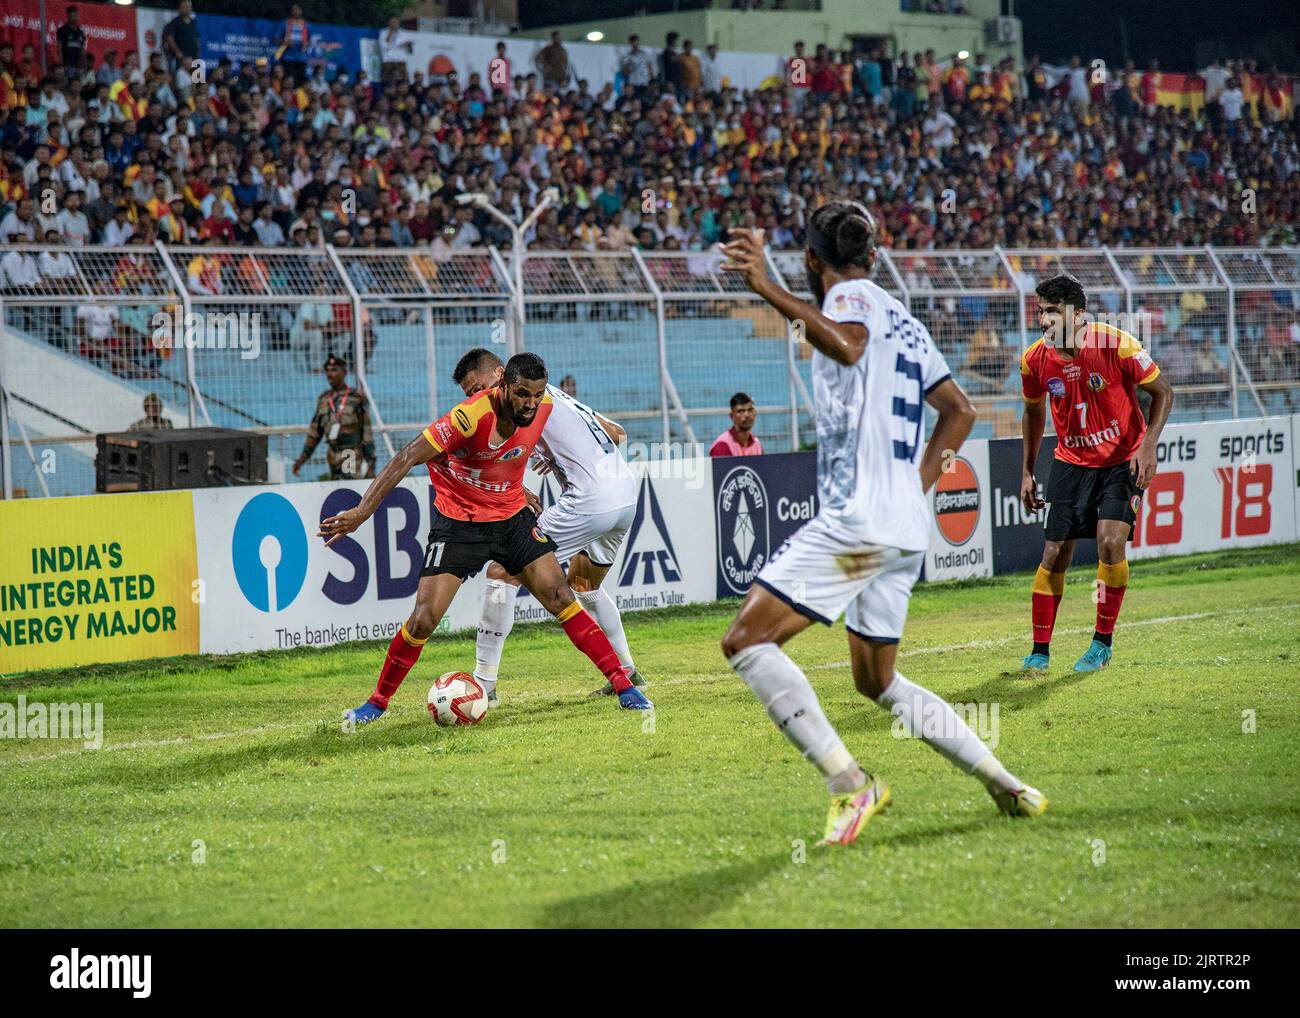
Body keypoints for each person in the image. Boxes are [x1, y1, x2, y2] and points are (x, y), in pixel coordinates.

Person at [718, 206, 1047, 847]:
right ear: (874, 255)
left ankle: (851, 785)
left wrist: (765, 287)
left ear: (813, 261)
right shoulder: (908, 320)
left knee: (747, 640)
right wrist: (914, 488)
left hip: (862, 521)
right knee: (876, 680)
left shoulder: (847, 300)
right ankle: (1004, 782)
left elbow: (849, 343)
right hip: (901, 524)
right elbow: (960, 411)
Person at [320, 352, 652, 725]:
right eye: (522, 394)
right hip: (459, 524)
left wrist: (534, 476)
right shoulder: (468, 416)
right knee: (424, 620)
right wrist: (362, 512)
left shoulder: (544, 403)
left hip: (511, 520)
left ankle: (624, 685)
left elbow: (613, 432)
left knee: (562, 594)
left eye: (536, 394)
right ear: (504, 385)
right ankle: (377, 703)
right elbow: (406, 456)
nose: (530, 403)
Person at [449, 349, 647, 706]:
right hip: (626, 496)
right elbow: (617, 433)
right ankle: (629, 670)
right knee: (585, 584)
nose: (475, 398)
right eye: (469, 395)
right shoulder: (553, 394)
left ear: (500, 374)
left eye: (477, 388)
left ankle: (484, 686)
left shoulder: (518, 405)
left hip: (590, 499)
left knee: (501, 570)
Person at [1018, 273, 1173, 674]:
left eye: (1052, 312)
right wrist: (1027, 472)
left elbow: (1163, 393)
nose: (1044, 321)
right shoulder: (1034, 359)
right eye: (1040, 312)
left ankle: (1102, 643)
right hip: (1071, 461)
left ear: (1078, 313)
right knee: (1054, 553)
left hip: (1122, 460)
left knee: (1108, 542)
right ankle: (1039, 651)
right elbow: (1033, 413)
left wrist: (1148, 444)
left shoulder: (1117, 344)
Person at [293, 355, 376, 481]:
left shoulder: (356, 398)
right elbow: (314, 433)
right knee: (337, 491)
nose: (330, 374)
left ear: (344, 372)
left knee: (349, 489)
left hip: (350, 453)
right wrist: (302, 458)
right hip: (332, 454)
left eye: (335, 370)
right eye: (328, 370)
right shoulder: (324, 400)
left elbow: (367, 430)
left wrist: (371, 462)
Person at [709, 393, 763, 457]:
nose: (747, 415)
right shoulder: (722, 445)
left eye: (750, 410)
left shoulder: (757, 444)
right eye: (741, 411)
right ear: (732, 416)